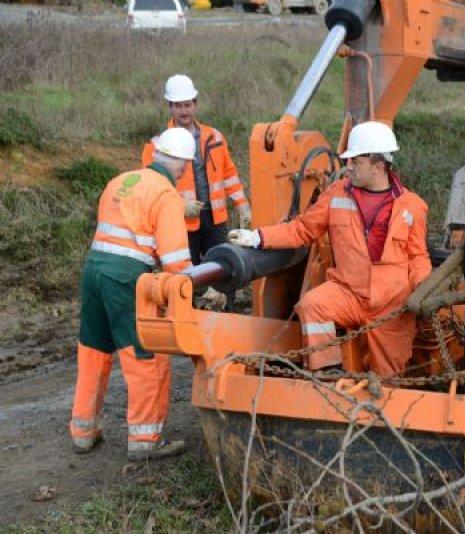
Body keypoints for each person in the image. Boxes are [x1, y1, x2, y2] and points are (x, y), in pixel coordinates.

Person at [228, 121, 431, 376]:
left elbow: (418, 256)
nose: (348, 167)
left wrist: (423, 291)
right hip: (348, 292)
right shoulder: (337, 194)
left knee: (389, 379)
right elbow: (301, 229)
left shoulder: (413, 206)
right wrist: (258, 237)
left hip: (392, 304)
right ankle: (328, 373)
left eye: (355, 161)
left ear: (379, 166)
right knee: (313, 304)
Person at [70, 128, 198, 461]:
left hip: (94, 270)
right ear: (182, 164)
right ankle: (145, 438)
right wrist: (195, 291)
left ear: (157, 153)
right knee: (146, 355)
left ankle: (83, 432)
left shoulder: (121, 180)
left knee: (93, 349)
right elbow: (175, 262)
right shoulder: (166, 194)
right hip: (125, 278)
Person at [142, 74, 251, 309]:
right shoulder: (157, 145)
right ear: (170, 107)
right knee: (181, 274)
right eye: (178, 105)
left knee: (224, 267)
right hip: (180, 221)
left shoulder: (214, 137)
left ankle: (225, 314)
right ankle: (187, 317)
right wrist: (181, 206)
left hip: (215, 217)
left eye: (188, 104)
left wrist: (241, 204)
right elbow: (150, 187)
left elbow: (229, 173)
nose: (184, 110)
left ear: (196, 104)